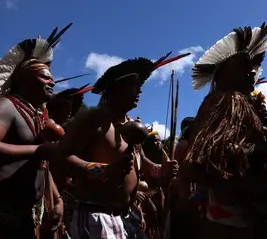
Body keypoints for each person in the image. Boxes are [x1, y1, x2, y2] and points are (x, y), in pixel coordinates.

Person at [178, 9, 267, 238]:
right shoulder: (225, 100)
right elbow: (204, 160)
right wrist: (265, 148)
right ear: (222, 74)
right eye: (244, 68)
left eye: (252, 68)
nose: (251, 73)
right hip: (232, 225)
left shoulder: (240, 104)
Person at [37, 52, 190, 239]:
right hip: (97, 216)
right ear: (116, 88)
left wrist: (161, 170)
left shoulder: (131, 126)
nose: (139, 91)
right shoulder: (94, 119)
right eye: (134, 85)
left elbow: (144, 166)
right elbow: (61, 157)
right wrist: (102, 171)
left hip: (127, 216)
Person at [0, 24, 72, 239]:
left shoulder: (38, 117)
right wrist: (38, 149)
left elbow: (41, 163)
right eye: (44, 76)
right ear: (23, 79)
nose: (52, 81)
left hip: (24, 218)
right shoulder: (3, 105)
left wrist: (58, 199)